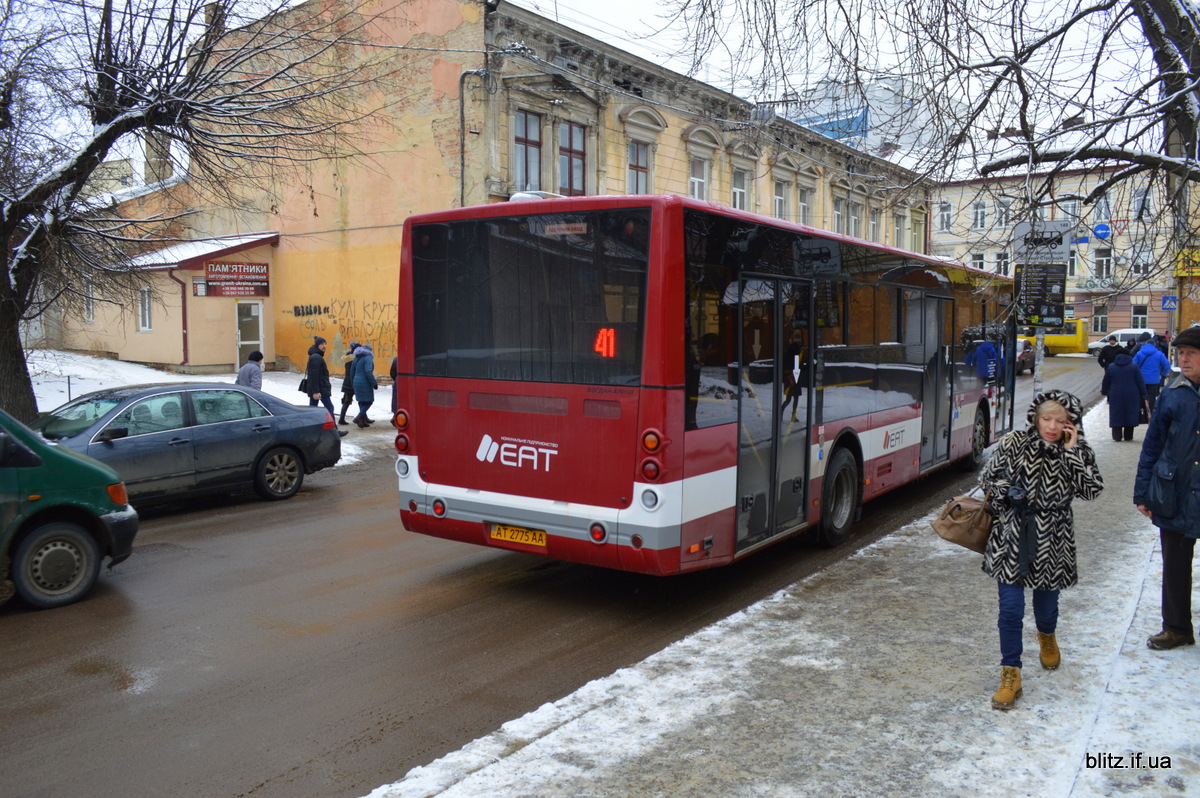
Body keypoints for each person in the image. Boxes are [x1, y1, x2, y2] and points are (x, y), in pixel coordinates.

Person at [979, 389, 1104, 710]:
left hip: (1054, 538)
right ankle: (1011, 674)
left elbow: (1092, 490)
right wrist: (1007, 492)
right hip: (1012, 533)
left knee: (1045, 608)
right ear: (1036, 417)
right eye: (1046, 418)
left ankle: (1047, 635)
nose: (1051, 426)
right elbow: (988, 477)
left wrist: (1072, 452)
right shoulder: (1014, 443)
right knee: (1010, 609)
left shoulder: (1078, 449)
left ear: (1071, 424)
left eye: (1059, 421)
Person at [1134, 326, 1200, 651]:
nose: (1182, 359)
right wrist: (1142, 492)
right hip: (1173, 490)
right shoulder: (1172, 392)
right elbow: (1152, 445)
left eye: (1190, 354)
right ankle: (1176, 628)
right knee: (1175, 565)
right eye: (1180, 353)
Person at [1101, 349, 1147, 441]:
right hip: (1132, 394)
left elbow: (1106, 381)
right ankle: (1128, 436)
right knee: (1130, 413)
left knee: (1116, 413)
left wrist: (1105, 391)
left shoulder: (1111, 367)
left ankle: (1117, 436)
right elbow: (1140, 381)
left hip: (1115, 393)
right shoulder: (1134, 366)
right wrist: (1143, 393)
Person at [1133, 333, 1172, 411]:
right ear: (1154, 345)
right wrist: (1163, 375)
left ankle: (1142, 411)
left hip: (1141, 379)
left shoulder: (1139, 353)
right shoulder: (1159, 354)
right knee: (1152, 396)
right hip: (1154, 380)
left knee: (1141, 395)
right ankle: (1150, 412)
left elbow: (1133, 365)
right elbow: (1167, 366)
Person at [306, 336, 335, 417]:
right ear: (317, 345)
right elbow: (314, 376)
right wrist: (316, 391)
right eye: (322, 344)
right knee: (329, 408)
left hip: (318, 388)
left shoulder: (316, 356)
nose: (324, 346)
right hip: (320, 389)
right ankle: (333, 429)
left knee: (313, 409)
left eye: (325, 344)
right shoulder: (316, 357)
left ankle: (313, 427)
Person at [351, 342, 378, 428]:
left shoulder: (356, 358)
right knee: (369, 401)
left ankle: (362, 421)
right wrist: (374, 383)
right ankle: (359, 416)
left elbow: (352, 372)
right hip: (365, 382)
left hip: (356, 381)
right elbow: (368, 372)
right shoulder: (368, 358)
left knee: (361, 401)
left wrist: (353, 383)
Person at [338, 342, 360, 426]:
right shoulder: (354, 360)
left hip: (347, 382)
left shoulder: (348, 358)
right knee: (349, 401)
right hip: (352, 383)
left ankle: (342, 418)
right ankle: (341, 419)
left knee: (347, 401)